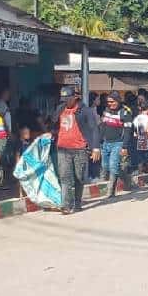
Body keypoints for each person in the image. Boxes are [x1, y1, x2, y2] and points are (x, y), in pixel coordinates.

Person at [49, 86, 100, 214]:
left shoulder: (85, 110)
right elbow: (53, 123)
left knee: (79, 177)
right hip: (62, 148)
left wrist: (95, 148)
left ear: (75, 97)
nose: (66, 101)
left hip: (79, 149)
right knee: (65, 177)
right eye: (63, 99)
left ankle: (77, 202)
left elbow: (94, 129)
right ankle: (65, 205)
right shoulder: (60, 108)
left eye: (68, 98)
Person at [96, 92, 133, 200]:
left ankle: (111, 191)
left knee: (113, 166)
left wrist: (124, 146)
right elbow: (102, 126)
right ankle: (126, 179)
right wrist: (98, 142)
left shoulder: (125, 112)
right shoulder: (106, 111)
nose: (110, 104)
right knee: (105, 166)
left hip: (118, 143)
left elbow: (127, 131)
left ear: (118, 101)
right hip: (106, 143)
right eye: (108, 102)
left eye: (112, 102)